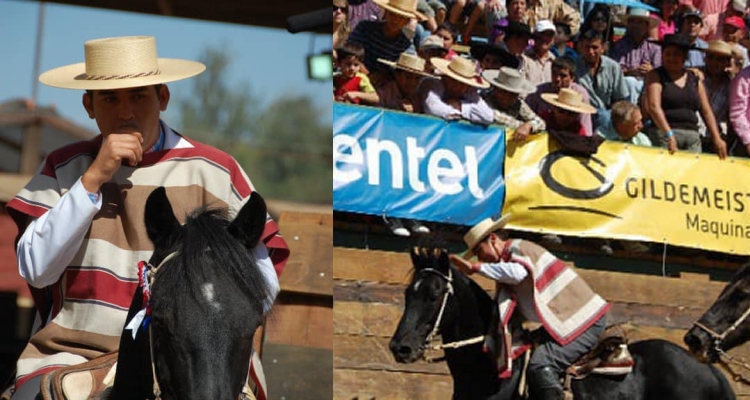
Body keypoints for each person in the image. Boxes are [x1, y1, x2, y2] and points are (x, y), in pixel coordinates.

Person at [4, 36, 289, 399]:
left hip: (194, 361)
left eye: (138, 96)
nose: (125, 112)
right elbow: (36, 269)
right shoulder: (63, 168)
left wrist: (194, 331)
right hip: (71, 354)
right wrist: (92, 179)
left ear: (163, 98)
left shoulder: (215, 171)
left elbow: (262, 284)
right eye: (109, 98)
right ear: (88, 105)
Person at [449, 215, 609, 400]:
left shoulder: (517, 249)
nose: (481, 257)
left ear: (493, 239)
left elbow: (517, 274)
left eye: (479, 250)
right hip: (571, 321)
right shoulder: (511, 257)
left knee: (540, 365)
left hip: (584, 322)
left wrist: (475, 268)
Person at [643, 33, 727, 157]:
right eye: (668, 53)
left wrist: (717, 138)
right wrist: (668, 134)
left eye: (676, 54)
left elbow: (706, 110)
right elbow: (654, 107)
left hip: (692, 135)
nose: (671, 58)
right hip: (664, 133)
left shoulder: (694, 79)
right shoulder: (655, 75)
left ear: (684, 57)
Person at [347, 0, 426, 87]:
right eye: (392, 14)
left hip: (383, 86)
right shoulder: (365, 27)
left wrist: (386, 77)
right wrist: (367, 75)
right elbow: (349, 53)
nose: (395, 20)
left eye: (401, 17)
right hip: (354, 75)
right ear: (386, 13)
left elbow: (409, 67)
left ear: (407, 21)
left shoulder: (405, 43)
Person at [575, 29, 630, 131]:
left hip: (607, 114)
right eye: (587, 47)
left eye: (594, 47)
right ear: (581, 47)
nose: (590, 51)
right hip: (580, 111)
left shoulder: (613, 67)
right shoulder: (574, 66)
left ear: (603, 48)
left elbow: (621, 98)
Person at [526, 56, 594, 136]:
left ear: (572, 78)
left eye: (563, 75)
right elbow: (526, 116)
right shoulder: (538, 92)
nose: (557, 79)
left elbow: (585, 125)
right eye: (554, 73)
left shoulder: (580, 94)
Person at [610, 8, 662, 104]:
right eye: (632, 22)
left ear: (647, 26)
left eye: (640, 22)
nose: (636, 26)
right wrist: (632, 71)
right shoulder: (619, 45)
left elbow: (660, 70)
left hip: (648, 82)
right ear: (628, 25)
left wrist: (651, 71)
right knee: (630, 82)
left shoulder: (655, 47)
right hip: (625, 84)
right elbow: (615, 69)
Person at [420, 56, 494, 123]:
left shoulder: (469, 90)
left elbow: (488, 116)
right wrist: (457, 113)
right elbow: (432, 107)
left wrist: (460, 106)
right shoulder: (432, 84)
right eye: (456, 82)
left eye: (464, 84)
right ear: (447, 78)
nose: (461, 87)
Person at [483, 67, 546, 141]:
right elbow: (498, 118)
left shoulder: (518, 103)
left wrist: (529, 125)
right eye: (504, 92)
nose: (507, 97)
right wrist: (523, 126)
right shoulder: (483, 101)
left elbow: (541, 123)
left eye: (512, 94)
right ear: (496, 89)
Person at [522, 20, 557, 86]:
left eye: (549, 35)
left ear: (553, 40)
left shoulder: (554, 61)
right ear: (534, 37)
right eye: (542, 34)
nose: (545, 38)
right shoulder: (524, 59)